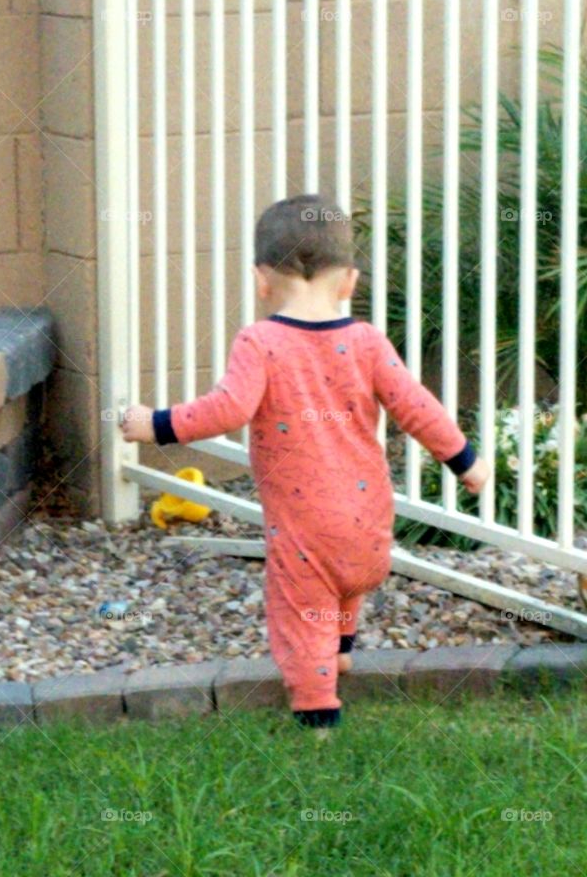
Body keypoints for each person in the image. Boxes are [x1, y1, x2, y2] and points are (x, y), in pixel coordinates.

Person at [120, 194, 490, 730]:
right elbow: (416, 406)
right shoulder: (366, 341)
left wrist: (153, 423)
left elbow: (227, 409)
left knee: (300, 611)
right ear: (349, 282)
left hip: (305, 525)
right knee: (346, 585)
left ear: (261, 280)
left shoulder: (261, 342)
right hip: (370, 519)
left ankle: (317, 712)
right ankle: (340, 651)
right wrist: (467, 462)